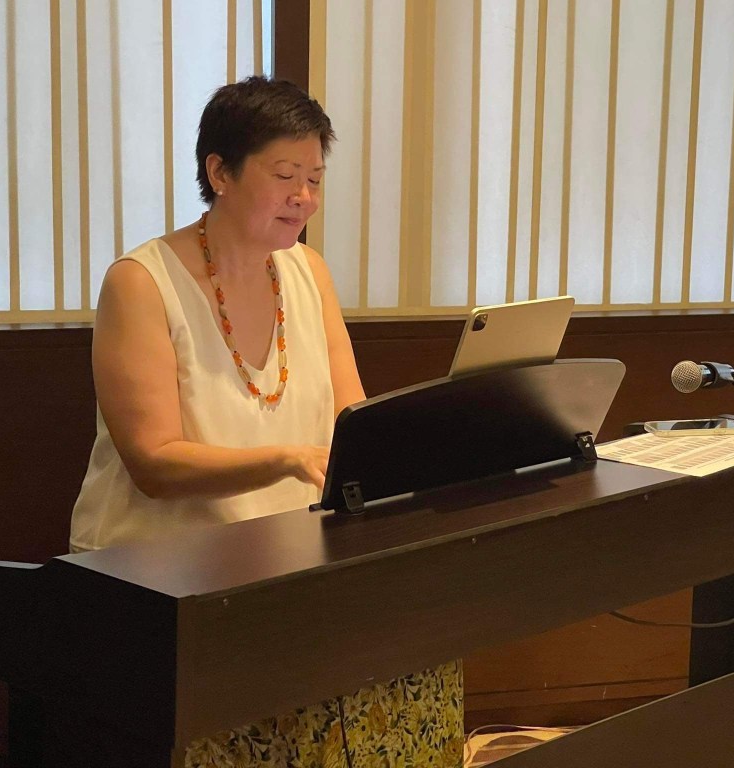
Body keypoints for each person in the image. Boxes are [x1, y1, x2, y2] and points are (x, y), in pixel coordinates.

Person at [70, 76, 463, 768]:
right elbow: (153, 462)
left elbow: (352, 421)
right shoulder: (140, 282)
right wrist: (286, 458)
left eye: (314, 179)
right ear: (220, 172)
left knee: (421, 645)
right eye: (285, 176)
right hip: (162, 573)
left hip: (288, 558)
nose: (303, 197)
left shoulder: (308, 272)